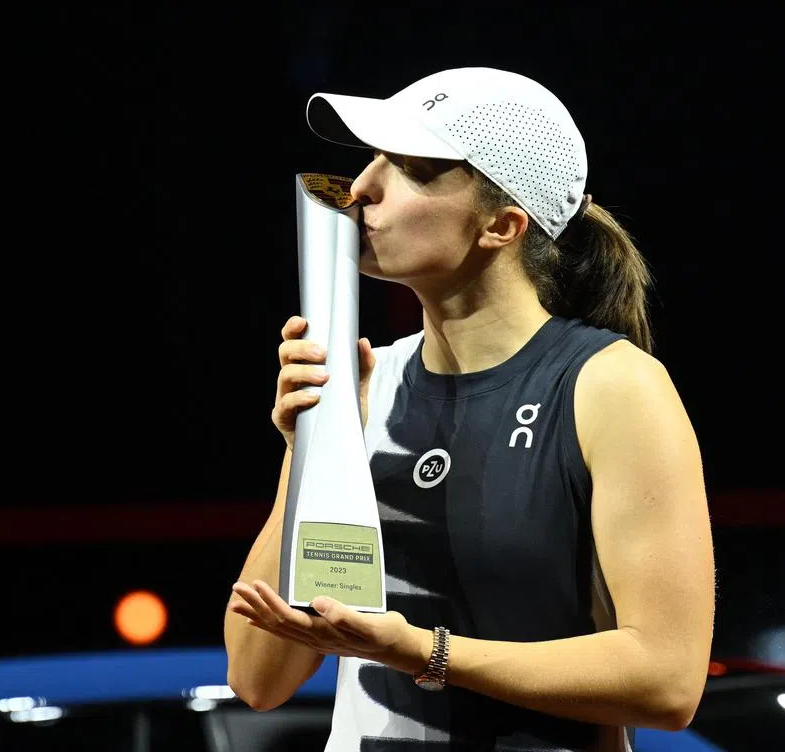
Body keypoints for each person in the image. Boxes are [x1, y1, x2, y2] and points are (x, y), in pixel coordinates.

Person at [222, 66, 716, 752]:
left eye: (410, 167)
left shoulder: (611, 386)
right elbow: (256, 677)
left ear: (502, 224)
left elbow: (667, 680)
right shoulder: (367, 384)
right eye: (372, 159)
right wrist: (313, 448)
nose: (362, 186)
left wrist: (426, 652)